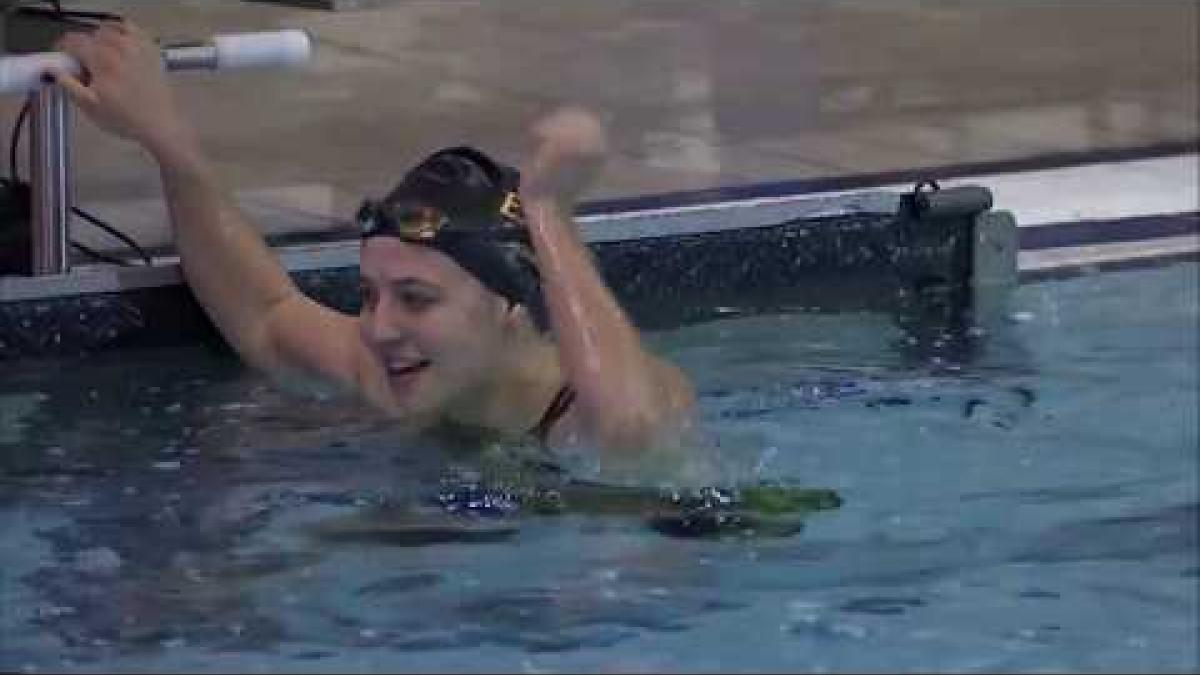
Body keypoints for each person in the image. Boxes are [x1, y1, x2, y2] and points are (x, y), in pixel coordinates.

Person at [48, 20, 695, 455]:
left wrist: (547, 210)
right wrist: (165, 138)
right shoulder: (402, 370)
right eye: (369, 294)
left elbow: (629, 432)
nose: (379, 327)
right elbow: (267, 315)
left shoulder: (606, 402)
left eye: (415, 298)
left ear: (511, 305)